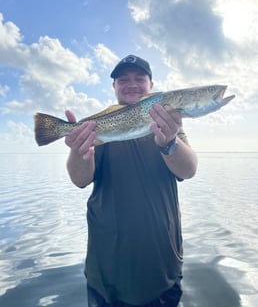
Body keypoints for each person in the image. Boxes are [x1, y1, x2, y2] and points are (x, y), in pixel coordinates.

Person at [65, 55, 198, 307]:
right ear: (114, 87)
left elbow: (189, 169)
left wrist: (169, 142)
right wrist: (78, 151)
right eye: (123, 79)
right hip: (105, 271)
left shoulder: (168, 124)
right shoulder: (97, 126)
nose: (132, 84)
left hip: (161, 267)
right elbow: (80, 179)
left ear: (151, 85)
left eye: (139, 78)